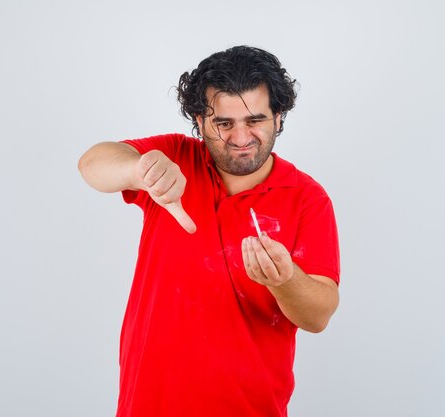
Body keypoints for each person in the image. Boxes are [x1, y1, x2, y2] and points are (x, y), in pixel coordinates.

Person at [78, 45, 340, 417]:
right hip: (147, 405)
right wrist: (139, 171)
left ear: (279, 118)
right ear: (199, 121)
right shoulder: (175, 156)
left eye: (256, 120)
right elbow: (92, 163)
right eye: (223, 123)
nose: (240, 137)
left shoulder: (307, 199)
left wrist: (285, 280)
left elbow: (319, 315)